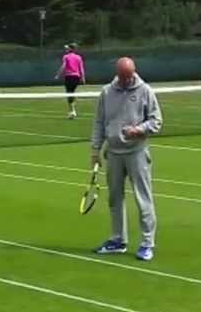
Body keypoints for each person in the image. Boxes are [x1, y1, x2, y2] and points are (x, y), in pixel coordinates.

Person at [90, 57, 162, 262]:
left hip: (137, 153)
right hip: (113, 153)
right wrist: (95, 150)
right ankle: (118, 240)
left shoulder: (145, 91)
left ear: (134, 72)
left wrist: (139, 129)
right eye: (121, 77)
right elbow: (99, 122)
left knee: (143, 199)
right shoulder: (106, 92)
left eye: (128, 76)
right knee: (114, 198)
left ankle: (147, 243)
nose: (125, 80)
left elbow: (156, 121)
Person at [55, 43, 87, 119]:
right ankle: (72, 110)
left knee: (69, 94)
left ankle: (72, 111)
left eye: (68, 48)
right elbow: (81, 68)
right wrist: (83, 77)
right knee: (72, 93)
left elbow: (63, 66)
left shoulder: (66, 57)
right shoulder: (79, 57)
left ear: (70, 49)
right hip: (76, 77)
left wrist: (58, 74)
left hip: (69, 76)